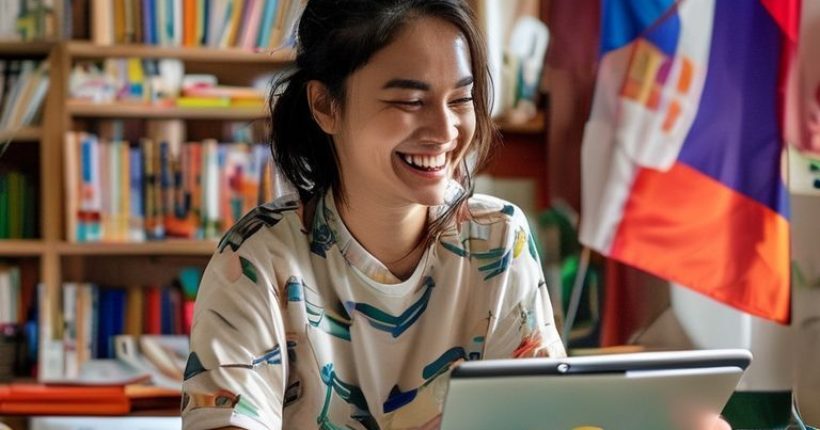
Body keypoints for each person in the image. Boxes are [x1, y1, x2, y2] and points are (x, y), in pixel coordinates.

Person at [180, 1, 731, 429]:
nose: (445, 132)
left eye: (460, 99)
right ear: (325, 105)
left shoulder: (499, 239)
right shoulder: (256, 260)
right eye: (409, 101)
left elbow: (547, 416)